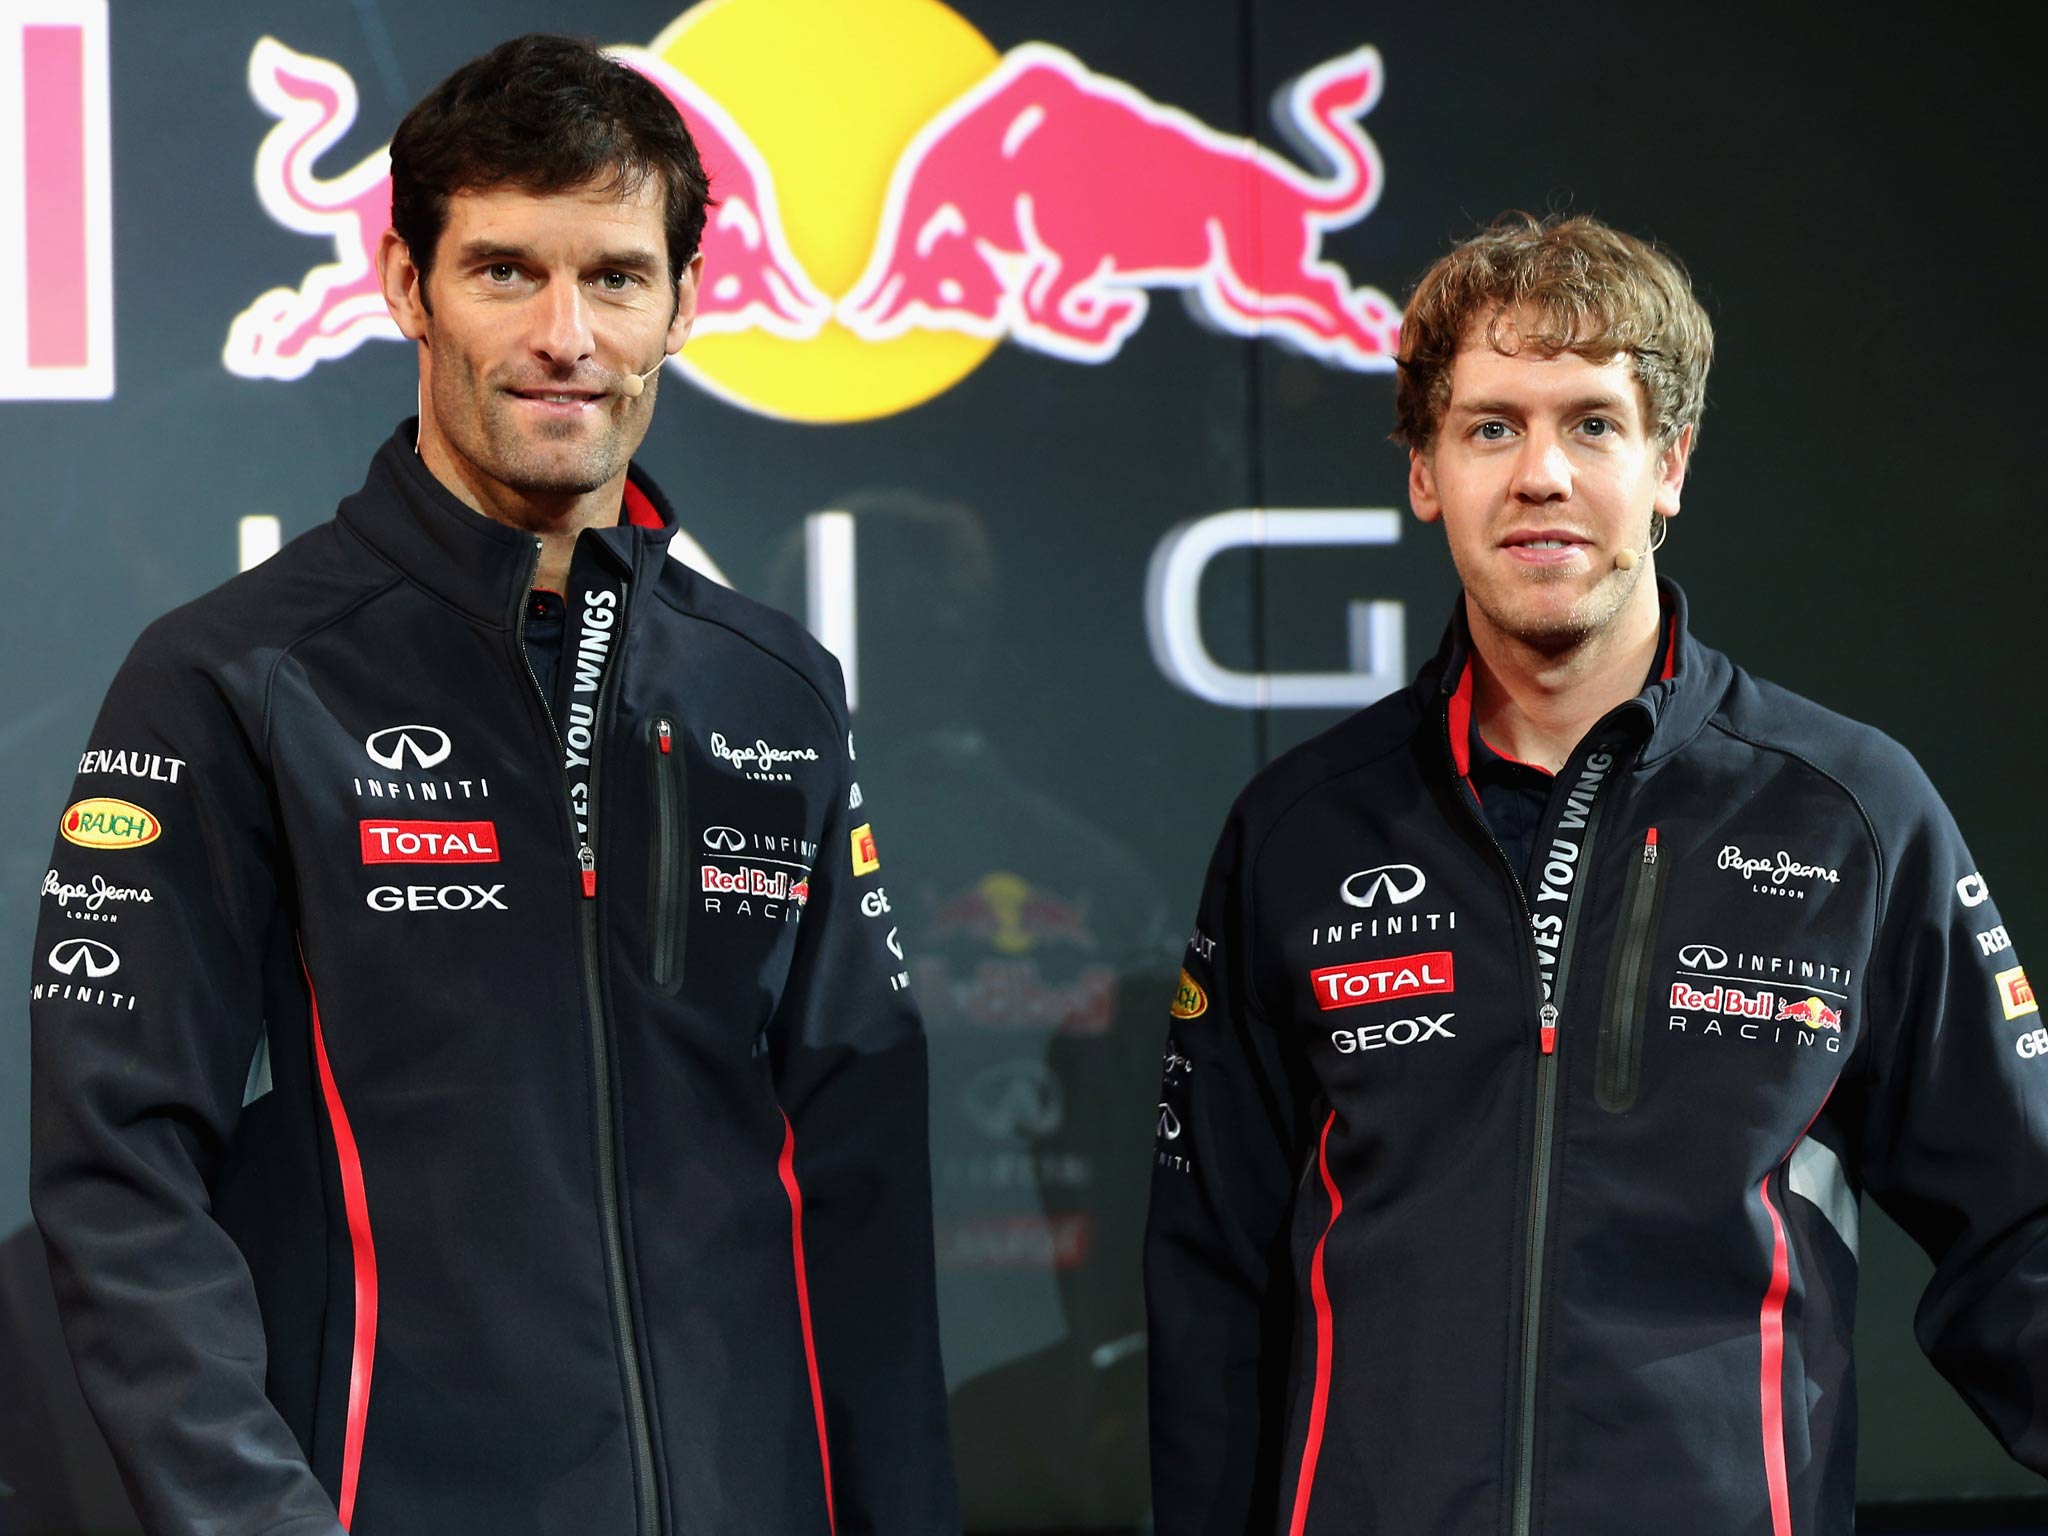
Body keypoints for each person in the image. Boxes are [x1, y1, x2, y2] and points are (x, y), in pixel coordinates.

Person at [30, 35, 955, 1536]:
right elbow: (118, 1171)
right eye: (505, 271)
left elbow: (860, 1183)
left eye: (614, 276)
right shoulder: (234, 677)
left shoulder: (773, 689)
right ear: (405, 284)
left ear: (685, 301)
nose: (565, 336)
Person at [1145, 212, 2048, 1535]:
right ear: (1424, 471)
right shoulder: (1301, 832)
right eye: (1492, 426)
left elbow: (2023, 1228)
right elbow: (1212, 1280)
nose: (1542, 475)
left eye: (1594, 424)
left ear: (1670, 464)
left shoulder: (1847, 811)